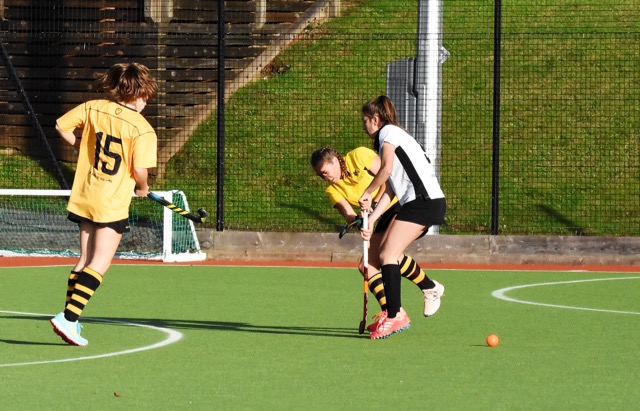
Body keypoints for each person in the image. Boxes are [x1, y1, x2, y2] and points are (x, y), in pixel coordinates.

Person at [50, 62, 158, 346]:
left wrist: (82, 146)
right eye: (146, 97)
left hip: (85, 194)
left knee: (84, 259)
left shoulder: (93, 107)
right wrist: (143, 188)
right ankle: (68, 319)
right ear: (140, 93)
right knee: (100, 262)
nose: (146, 102)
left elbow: (60, 126)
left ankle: (71, 318)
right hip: (111, 202)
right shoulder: (143, 130)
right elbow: (140, 170)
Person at [310, 146, 444, 332]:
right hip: (379, 217)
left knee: (388, 254)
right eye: (320, 175)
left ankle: (428, 289)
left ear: (334, 161)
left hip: (399, 203)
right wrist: (358, 221)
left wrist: (374, 204)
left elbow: (389, 177)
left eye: (325, 172)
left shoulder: (359, 156)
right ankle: (391, 312)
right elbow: (348, 214)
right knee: (366, 265)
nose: (324, 177)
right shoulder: (332, 190)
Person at [358, 95, 446, 340]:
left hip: (423, 202)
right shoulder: (394, 137)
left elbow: (385, 170)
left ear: (376, 119)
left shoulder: (388, 133)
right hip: (418, 202)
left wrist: (367, 192)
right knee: (388, 254)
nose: (364, 126)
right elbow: (392, 187)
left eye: (365, 121)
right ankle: (428, 289)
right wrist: (372, 219)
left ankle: (395, 315)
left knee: (387, 255)